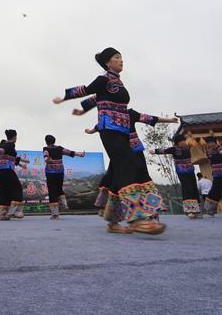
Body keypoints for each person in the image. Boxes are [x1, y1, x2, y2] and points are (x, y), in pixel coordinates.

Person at [54, 47, 176, 235]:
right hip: (109, 129)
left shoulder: (117, 82)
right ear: (107, 62)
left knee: (121, 170)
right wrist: (64, 98)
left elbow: (96, 98)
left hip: (123, 131)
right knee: (128, 165)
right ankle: (137, 218)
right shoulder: (103, 79)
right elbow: (86, 90)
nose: (121, 61)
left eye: (121, 58)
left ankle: (112, 221)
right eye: (117, 57)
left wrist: (83, 110)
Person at [0, 130, 29, 220]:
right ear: (14, 137)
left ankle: (1, 214)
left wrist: (22, 165)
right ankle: (14, 211)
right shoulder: (9, 145)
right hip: (7, 170)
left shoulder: (6, 146)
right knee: (17, 187)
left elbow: (12, 158)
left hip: (1, 171)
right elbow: (0, 151)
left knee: (3, 190)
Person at [151, 133, 201, 218]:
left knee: (193, 188)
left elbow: (197, 141)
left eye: (184, 141)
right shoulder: (174, 149)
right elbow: (164, 151)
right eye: (181, 141)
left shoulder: (188, 147)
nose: (183, 142)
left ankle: (197, 210)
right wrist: (154, 151)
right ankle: (190, 210)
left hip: (190, 171)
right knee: (187, 189)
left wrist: (193, 137)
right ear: (177, 143)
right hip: (182, 172)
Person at [42, 136, 85, 219]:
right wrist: (79, 154)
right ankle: (64, 204)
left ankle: (55, 213)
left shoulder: (46, 148)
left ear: (46, 142)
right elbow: (69, 152)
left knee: (52, 190)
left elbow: (46, 156)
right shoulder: (59, 148)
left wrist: (47, 159)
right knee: (59, 188)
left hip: (50, 173)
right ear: (54, 141)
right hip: (60, 172)